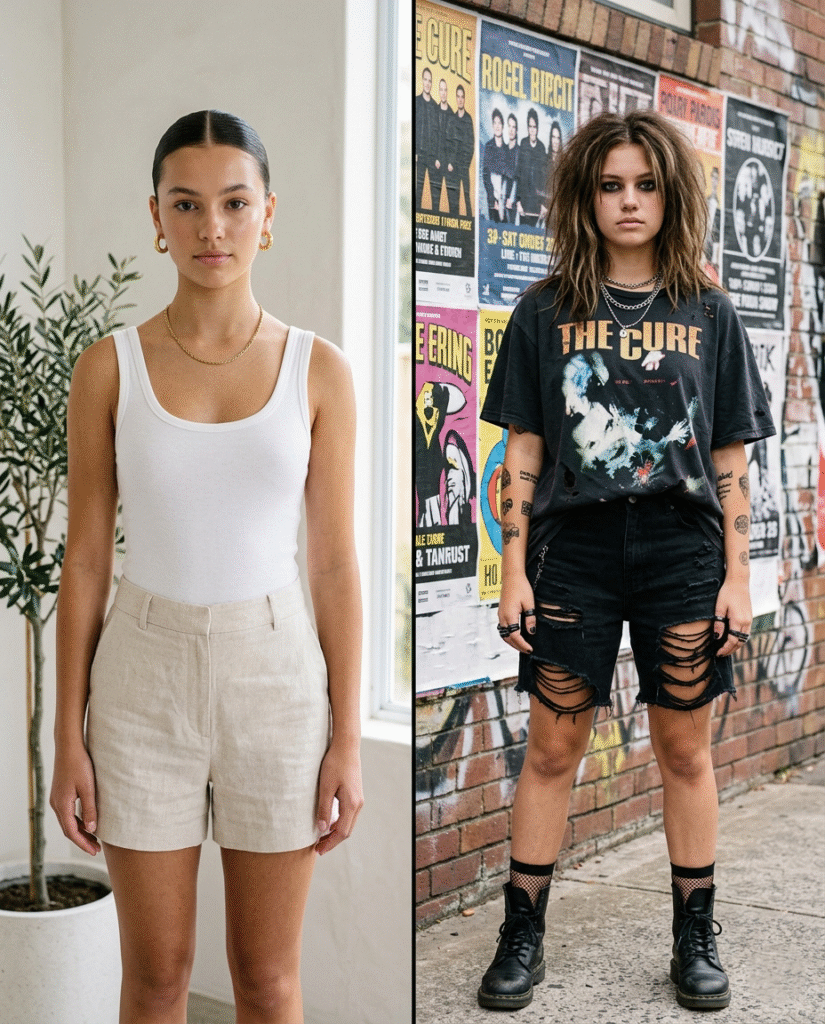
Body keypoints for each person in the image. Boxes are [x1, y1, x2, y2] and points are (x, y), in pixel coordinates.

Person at [50, 109, 363, 1024]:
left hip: (277, 678)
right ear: (155, 217)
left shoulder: (320, 370)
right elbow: (83, 564)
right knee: (156, 979)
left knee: (266, 982)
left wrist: (346, 737)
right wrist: (65, 735)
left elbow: (336, 566)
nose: (210, 228)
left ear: (268, 215)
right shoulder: (107, 368)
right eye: (186, 205)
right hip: (141, 680)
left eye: (233, 203)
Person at [478, 110, 775, 1013]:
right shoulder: (543, 310)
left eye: (645, 183)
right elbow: (523, 451)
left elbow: (730, 461)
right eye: (610, 185)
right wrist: (514, 570)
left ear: (671, 193)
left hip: (682, 550)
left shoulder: (710, 312)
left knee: (683, 751)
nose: (628, 201)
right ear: (584, 197)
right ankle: (520, 934)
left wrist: (737, 575)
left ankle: (695, 937)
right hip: (574, 549)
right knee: (553, 745)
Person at [446, 83, 475, 217]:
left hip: (464, 166)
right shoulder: (452, 118)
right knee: (455, 198)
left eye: (462, 97)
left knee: (467, 197)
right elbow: (449, 143)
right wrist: (451, 162)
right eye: (457, 96)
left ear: (464, 98)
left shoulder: (468, 119)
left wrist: (466, 163)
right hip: (454, 167)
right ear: (456, 98)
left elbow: (471, 143)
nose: (460, 99)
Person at [516, 108, 547, 226]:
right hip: (523, 205)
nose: (532, 130)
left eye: (534, 127)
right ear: (527, 127)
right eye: (530, 126)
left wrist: (544, 204)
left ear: (537, 128)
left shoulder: (541, 148)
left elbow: (544, 178)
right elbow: (519, 173)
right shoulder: (523, 144)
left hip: (536, 206)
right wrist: (518, 202)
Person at [415, 67, 439, 209]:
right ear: (422, 80)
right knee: (418, 192)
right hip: (420, 155)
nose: (427, 83)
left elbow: (438, 134)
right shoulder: (416, 101)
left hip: (432, 156)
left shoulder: (435, 106)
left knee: (434, 194)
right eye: (425, 79)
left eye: (430, 80)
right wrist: (416, 152)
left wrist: (437, 157)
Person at [483, 108, 508, 222]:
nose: (497, 126)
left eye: (499, 123)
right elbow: (485, 175)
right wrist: (493, 199)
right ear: (492, 125)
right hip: (493, 201)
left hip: (505, 201)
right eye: (495, 123)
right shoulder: (489, 146)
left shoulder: (507, 149)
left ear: (503, 126)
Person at [502, 113, 520, 222]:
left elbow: (517, 178)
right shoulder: (503, 149)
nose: (511, 130)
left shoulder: (519, 151)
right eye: (509, 126)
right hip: (501, 199)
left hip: (511, 201)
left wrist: (512, 199)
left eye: (514, 127)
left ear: (516, 130)